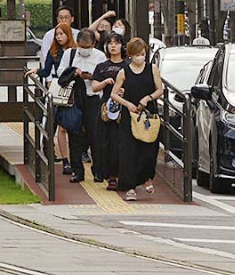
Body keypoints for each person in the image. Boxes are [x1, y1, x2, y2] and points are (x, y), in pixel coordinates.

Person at [113, 37, 165, 201]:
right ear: (130, 55)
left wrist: (147, 98)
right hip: (130, 115)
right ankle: (131, 187)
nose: (140, 57)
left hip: (148, 114)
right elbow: (114, 94)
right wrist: (127, 104)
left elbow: (160, 90)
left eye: (143, 54)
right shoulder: (123, 72)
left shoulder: (152, 69)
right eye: (137, 54)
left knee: (149, 151)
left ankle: (146, 177)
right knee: (129, 152)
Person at [56, 28, 104, 183]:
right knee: (74, 135)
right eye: (82, 47)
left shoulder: (100, 56)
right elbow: (60, 73)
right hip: (74, 99)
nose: (84, 50)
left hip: (93, 98)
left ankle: (98, 170)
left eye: (87, 47)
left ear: (94, 44)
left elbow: (103, 75)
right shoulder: (69, 54)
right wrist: (74, 73)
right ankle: (77, 171)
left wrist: (92, 77)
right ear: (77, 43)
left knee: (95, 135)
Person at [88, 32, 127, 189]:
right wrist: (104, 82)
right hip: (106, 109)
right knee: (106, 142)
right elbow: (94, 87)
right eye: (110, 43)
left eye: (116, 43)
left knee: (123, 142)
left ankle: (124, 174)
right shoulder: (101, 67)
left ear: (122, 46)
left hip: (124, 108)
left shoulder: (128, 66)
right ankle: (110, 176)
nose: (113, 46)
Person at [37, 22, 77, 174]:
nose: (59, 37)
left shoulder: (76, 51)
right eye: (57, 34)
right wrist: (37, 71)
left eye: (62, 34)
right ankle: (65, 159)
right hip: (59, 89)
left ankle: (74, 159)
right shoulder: (53, 52)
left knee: (71, 126)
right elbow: (46, 70)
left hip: (73, 90)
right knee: (59, 125)